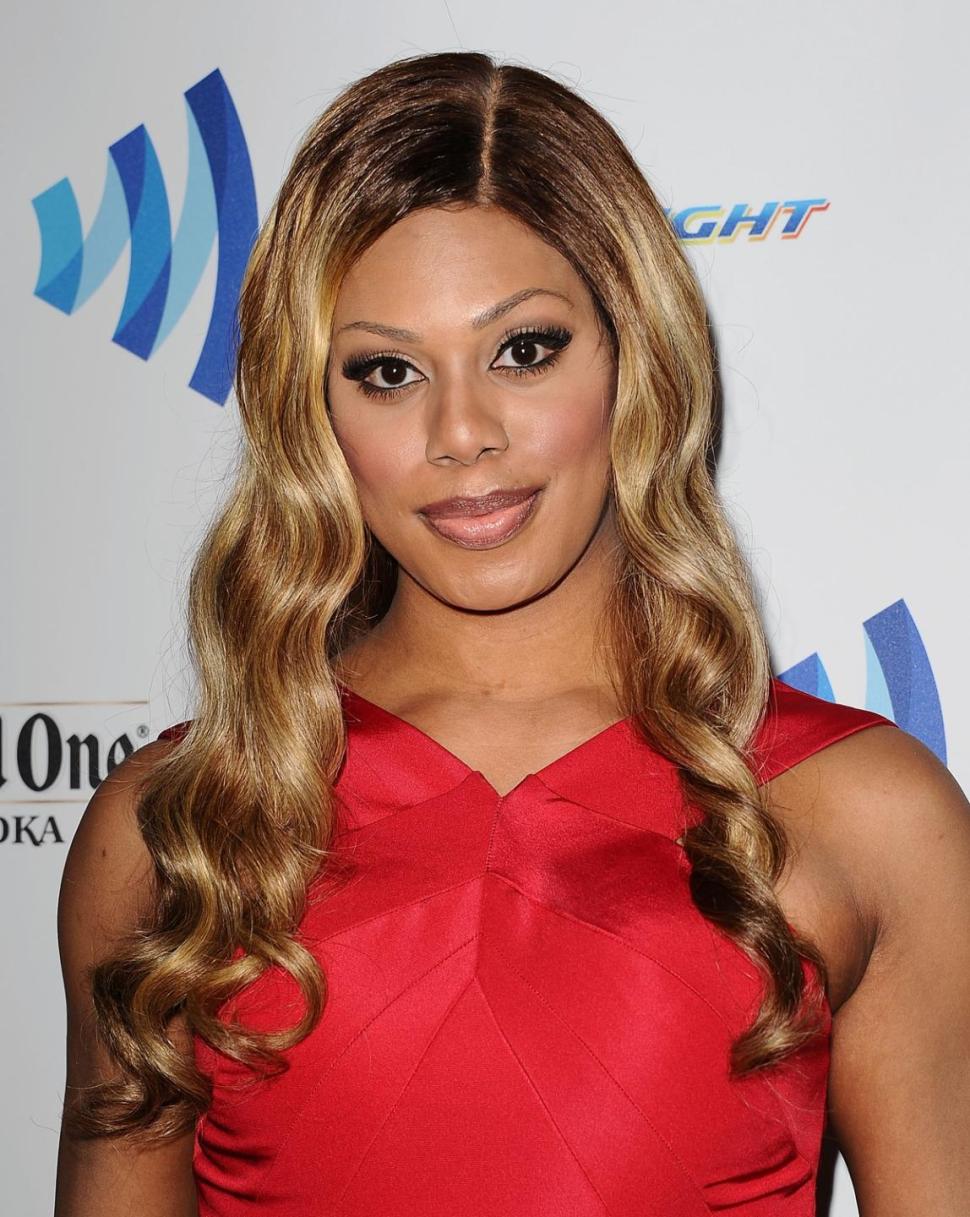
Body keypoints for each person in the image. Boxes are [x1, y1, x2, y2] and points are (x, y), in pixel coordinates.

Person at [54, 50, 970, 1217]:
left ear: (634, 352)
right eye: (388, 371)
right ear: (313, 410)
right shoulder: (177, 826)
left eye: (524, 349)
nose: (462, 429)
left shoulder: (866, 813)